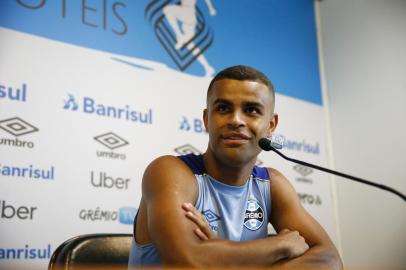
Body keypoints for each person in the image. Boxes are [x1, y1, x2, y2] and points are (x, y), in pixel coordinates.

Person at [128, 65, 343, 269]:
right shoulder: (170, 172)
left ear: (270, 125)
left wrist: (220, 258)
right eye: (223, 108)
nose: (236, 120)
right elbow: (188, 262)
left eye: (251, 110)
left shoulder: (272, 184)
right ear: (206, 119)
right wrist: (279, 245)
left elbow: (330, 259)